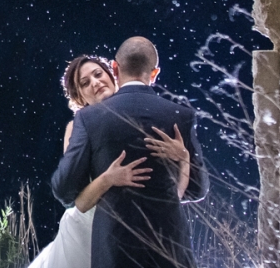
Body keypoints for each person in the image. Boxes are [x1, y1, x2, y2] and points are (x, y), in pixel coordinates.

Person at [50, 37, 206, 268]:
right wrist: (108, 178)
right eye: (85, 83)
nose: (95, 83)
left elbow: (63, 189)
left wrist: (183, 158)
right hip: (166, 246)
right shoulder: (177, 114)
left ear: (113, 70)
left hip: (114, 247)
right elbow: (196, 189)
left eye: (98, 74)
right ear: (154, 73)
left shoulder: (89, 120)